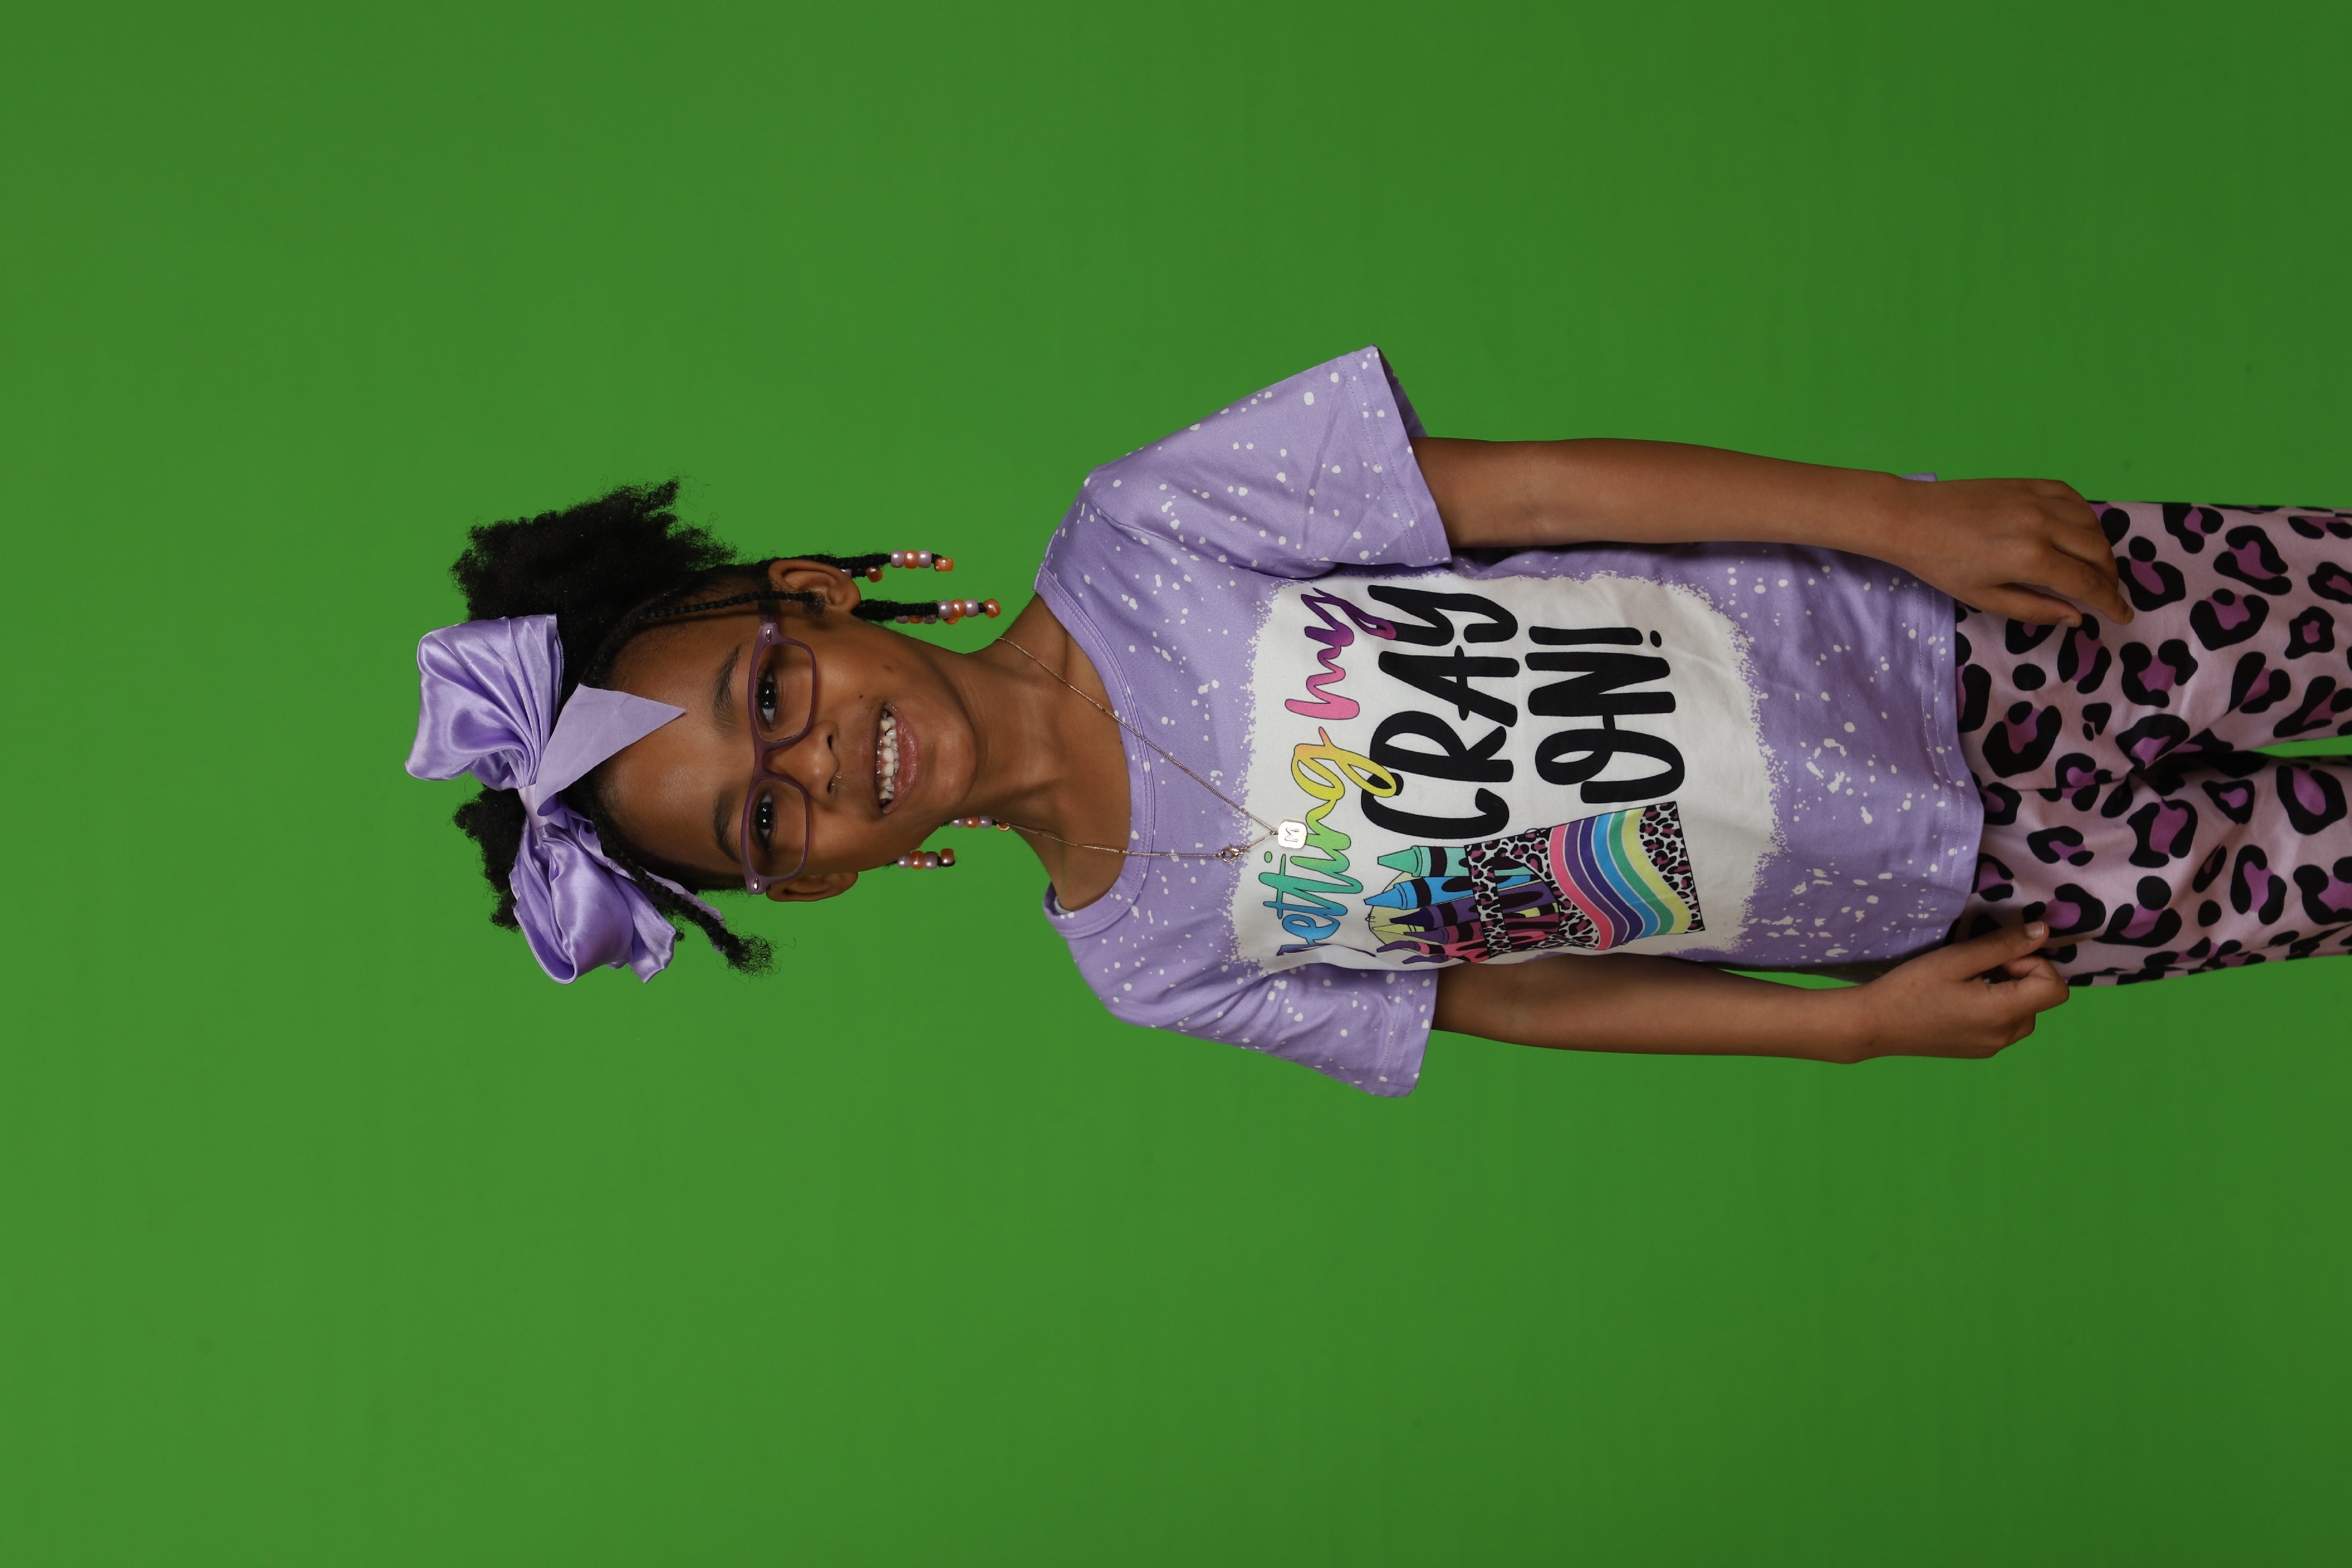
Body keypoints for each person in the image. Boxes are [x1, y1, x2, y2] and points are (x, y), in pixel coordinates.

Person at [406, 348, 2352, 1095]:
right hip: (1925, 889)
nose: (821, 765)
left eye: (772, 697)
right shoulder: (1150, 962)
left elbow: (1541, 492)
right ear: (816, 882)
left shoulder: (1146, 527)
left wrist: (1897, 520)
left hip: (1944, 633)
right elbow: (1514, 997)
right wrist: (1838, 1029)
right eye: (766, 821)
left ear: (810, 600)